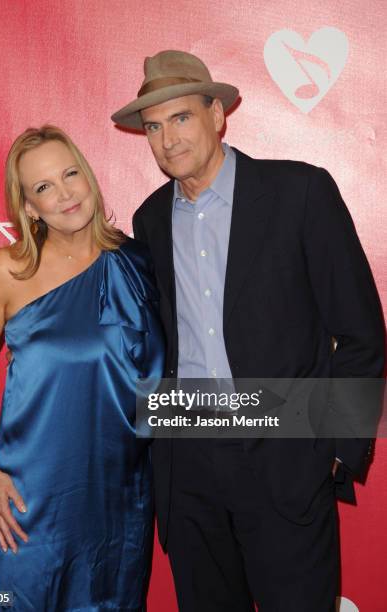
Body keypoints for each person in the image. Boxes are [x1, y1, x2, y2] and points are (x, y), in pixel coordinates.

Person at [111, 50, 386, 611]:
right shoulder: (149, 219)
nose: (167, 140)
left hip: (284, 456)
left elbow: (360, 330)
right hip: (186, 463)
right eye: (154, 127)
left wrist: (334, 448)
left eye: (181, 118)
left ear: (217, 114)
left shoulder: (300, 193)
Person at [0, 125, 164, 611]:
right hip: (33, 503)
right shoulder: (9, 271)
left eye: (70, 175)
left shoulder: (136, 262)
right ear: (28, 207)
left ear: (88, 176)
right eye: (44, 187)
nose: (65, 194)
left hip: (119, 497)